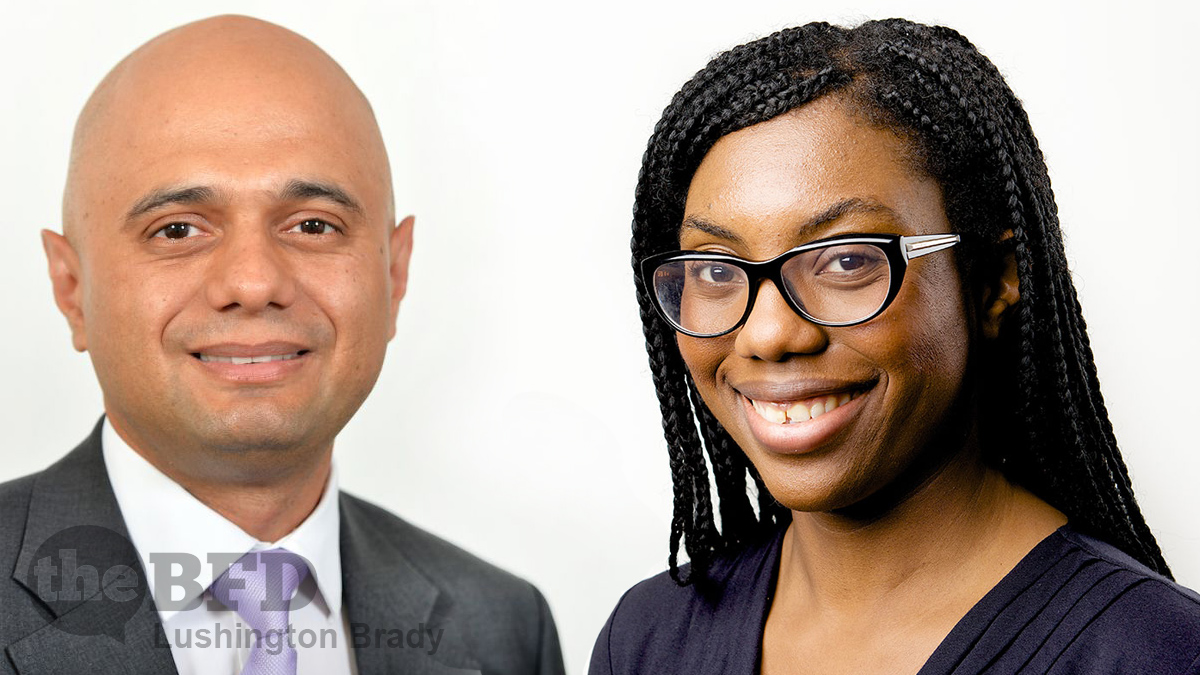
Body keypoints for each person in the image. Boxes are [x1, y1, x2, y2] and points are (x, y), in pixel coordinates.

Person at [591, 18, 1200, 675]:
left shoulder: (1154, 653)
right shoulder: (648, 640)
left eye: (847, 260)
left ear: (993, 279)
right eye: (715, 269)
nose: (768, 334)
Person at [0, 15, 564, 675]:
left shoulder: (503, 628)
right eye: (178, 229)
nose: (253, 282)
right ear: (71, 288)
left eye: (314, 225)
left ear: (394, 272)